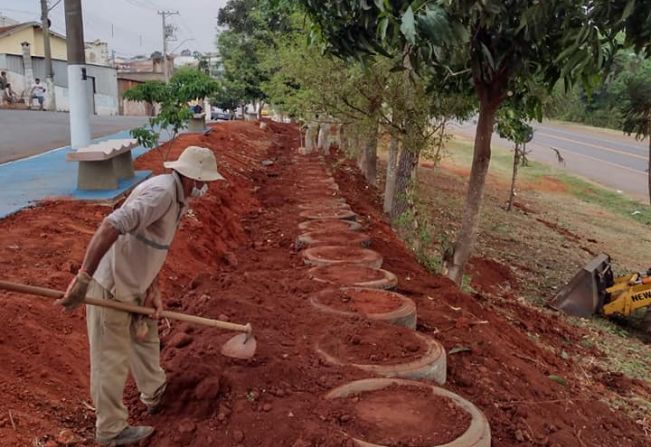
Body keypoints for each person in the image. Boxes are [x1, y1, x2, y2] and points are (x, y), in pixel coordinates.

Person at [58, 146, 225, 446]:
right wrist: (83, 278)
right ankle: (110, 431)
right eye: (203, 181)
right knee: (111, 358)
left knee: (145, 340)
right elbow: (111, 224)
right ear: (191, 177)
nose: (205, 187)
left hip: (136, 284)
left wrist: (153, 290)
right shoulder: (160, 194)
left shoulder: (178, 199)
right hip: (112, 285)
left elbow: (152, 247)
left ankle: (155, 394)